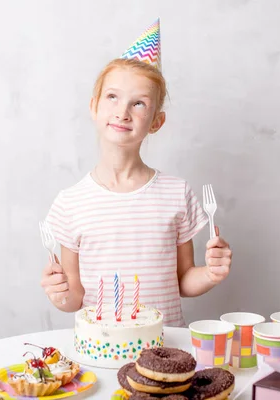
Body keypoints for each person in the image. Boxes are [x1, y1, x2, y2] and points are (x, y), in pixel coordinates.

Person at [41, 19, 232, 327]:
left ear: (156, 121)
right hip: (102, 351)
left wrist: (211, 273)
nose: (122, 112)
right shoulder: (70, 203)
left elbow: (184, 280)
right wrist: (58, 293)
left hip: (166, 352)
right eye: (112, 97)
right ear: (94, 106)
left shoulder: (176, 193)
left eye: (139, 103)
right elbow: (74, 297)